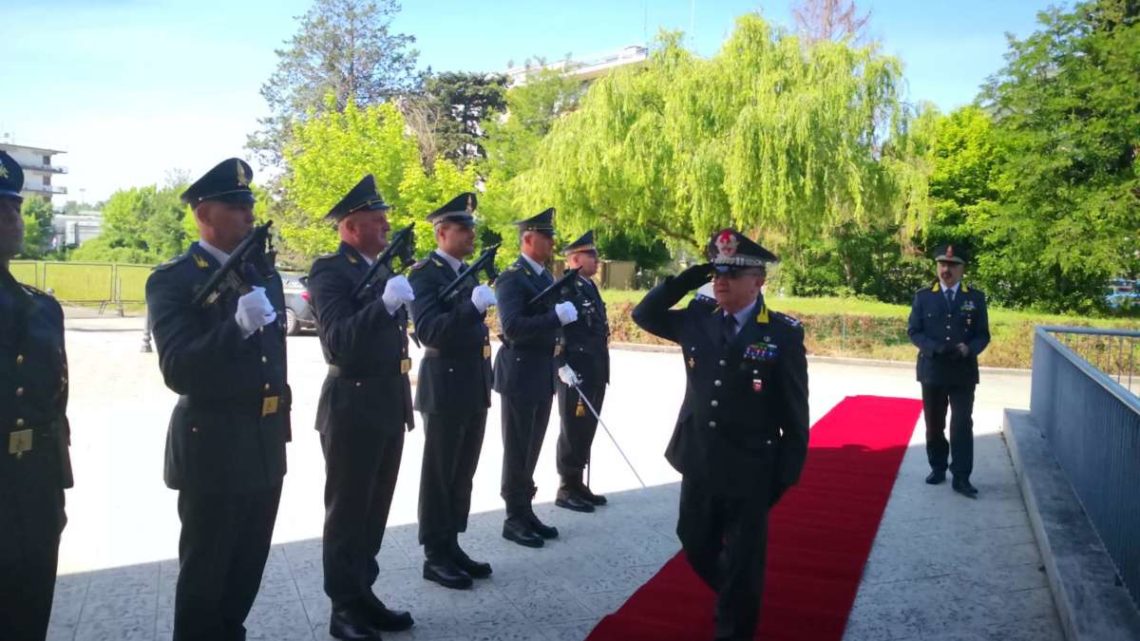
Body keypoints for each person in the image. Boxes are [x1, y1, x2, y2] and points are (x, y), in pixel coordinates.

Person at [632, 228, 809, 641]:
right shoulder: (698, 319)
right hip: (699, 456)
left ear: (759, 281)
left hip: (751, 465)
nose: (721, 280)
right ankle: (739, 594)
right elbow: (645, 315)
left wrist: (785, 474)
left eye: (733, 273)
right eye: (717, 271)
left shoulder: (781, 333)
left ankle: (736, 623)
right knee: (693, 541)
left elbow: (795, 412)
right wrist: (691, 276)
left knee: (745, 559)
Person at [146, 158, 290, 641]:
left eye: (249, 205)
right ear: (204, 213)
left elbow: (274, 361)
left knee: (248, 564)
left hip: (265, 437)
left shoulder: (261, 273)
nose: (249, 215)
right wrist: (235, 328)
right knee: (206, 570)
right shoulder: (174, 279)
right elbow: (178, 369)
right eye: (236, 206)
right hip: (213, 443)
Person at [307, 175, 416, 640]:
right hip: (352, 405)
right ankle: (343, 608)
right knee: (347, 513)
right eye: (377, 220)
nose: (386, 225)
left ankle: (363, 593)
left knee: (374, 512)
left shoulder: (382, 267)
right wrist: (384, 304)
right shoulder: (331, 271)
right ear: (351, 227)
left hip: (389, 402)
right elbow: (338, 343)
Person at [0, 150, 73, 641]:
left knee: (29, 615)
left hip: (35, 490)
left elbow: (55, 406)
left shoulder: (42, 307)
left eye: (16, 208)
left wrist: (55, 490)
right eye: (0, 210)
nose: (12, 219)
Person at [409, 192, 495, 589]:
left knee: (463, 471)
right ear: (442, 232)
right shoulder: (425, 274)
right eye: (463, 229)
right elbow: (429, 331)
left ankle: (452, 541)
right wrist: (471, 309)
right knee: (440, 472)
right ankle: (434, 553)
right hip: (444, 383)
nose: (471, 235)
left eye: (471, 229)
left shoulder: (467, 270)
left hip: (473, 382)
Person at [493, 208, 579, 548]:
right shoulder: (512, 278)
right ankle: (513, 516)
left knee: (532, 445)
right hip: (519, 370)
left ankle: (525, 509)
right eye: (546, 237)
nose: (552, 242)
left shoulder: (543, 277)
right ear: (528, 239)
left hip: (542, 370)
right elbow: (511, 326)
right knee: (517, 448)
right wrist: (553, 318)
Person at [907, 243, 990, 498]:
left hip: (963, 371)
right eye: (943, 264)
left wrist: (969, 349)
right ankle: (938, 467)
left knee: (962, 424)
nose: (946, 269)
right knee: (934, 424)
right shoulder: (924, 296)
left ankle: (962, 476)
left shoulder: (974, 298)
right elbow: (914, 331)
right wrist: (935, 348)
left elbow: (983, 335)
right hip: (933, 370)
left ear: (962, 269)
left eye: (952, 265)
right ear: (937, 266)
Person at [553, 230, 610, 513]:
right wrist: (560, 364)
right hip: (574, 370)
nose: (597, 260)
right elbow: (555, 329)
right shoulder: (565, 288)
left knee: (587, 427)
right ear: (575, 258)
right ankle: (566, 486)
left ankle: (578, 482)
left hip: (595, 368)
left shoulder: (588, 285)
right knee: (572, 429)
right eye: (592, 255)